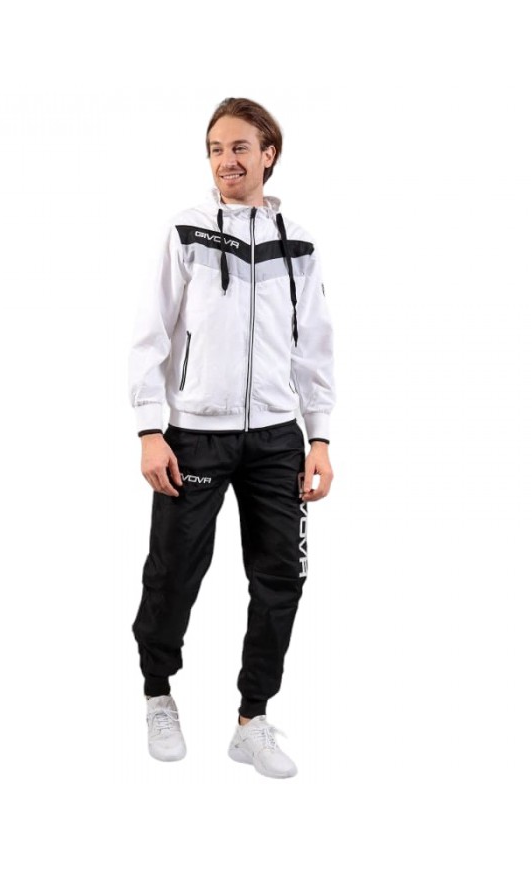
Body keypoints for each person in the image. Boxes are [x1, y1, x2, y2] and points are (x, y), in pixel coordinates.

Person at [128, 97, 335, 778]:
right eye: (216, 149)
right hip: (195, 436)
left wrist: (319, 437)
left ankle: (253, 719)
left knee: (281, 578)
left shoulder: (298, 243)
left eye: (240, 147)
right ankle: (158, 693)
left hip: (277, 438)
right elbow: (151, 334)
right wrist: (150, 427)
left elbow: (314, 345)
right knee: (173, 572)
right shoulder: (187, 231)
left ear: (269, 153)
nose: (227, 160)